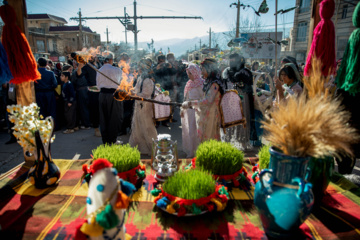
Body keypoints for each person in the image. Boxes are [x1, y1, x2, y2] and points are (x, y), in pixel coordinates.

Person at [182, 58, 224, 142]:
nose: (201, 72)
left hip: (212, 115)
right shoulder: (209, 82)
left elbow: (207, 101)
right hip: (206, 113)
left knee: (210, 138)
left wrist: (191, 103)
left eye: (203, 69)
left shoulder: (215, 84)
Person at [222, 53, 257, 150]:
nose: (231, 62)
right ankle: (228, 141)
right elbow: (224, 84)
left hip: (242, 99)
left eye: (234, 59)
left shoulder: (245, 72)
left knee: (242, 120)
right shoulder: (226, 71)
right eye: (230, 59)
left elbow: (248, 86)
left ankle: (243, 142)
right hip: (229, 99)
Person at [129, 59, 157, 155]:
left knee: (146, 125)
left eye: (140, 67)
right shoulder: (140, 78)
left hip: (145, 106)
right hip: (138, 104)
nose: (138, 69)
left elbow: (146, 94)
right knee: (137, 124)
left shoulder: (148, 80)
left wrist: (135, 94)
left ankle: (150, 147)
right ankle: (140, 147)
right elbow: (136, 89)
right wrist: (131, 90)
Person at [96, 51, 123, 145]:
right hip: (113, 95)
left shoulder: (99, 70)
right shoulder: (117, 70)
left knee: (104, 118)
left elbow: (98, 85)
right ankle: (113, 139)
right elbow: (121, 83)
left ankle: (105, 140)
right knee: (114, 118)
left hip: (102, 95)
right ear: (111, 59)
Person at [180, 63, 204, 157]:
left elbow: (203, 99)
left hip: (197, 110)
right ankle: (190, 150)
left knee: (196, 131)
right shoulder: (189, 84)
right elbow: (186, 98)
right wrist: (182, 109)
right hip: (188, 110)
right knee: (189, 130)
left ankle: (197, 150)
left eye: (190, 73)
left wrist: (193, 103)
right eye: (188, 73)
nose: (188, 75)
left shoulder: (201, 84)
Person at [77, 55, 101, 137]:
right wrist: (80, 66)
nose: (91, 57)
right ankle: (96, 128)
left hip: (102, 90)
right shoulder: (87, 67)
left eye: (93, 56)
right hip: (93, 91)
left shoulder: (99, 65)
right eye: (90, 57)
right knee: (95, 110)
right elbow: (79, 75)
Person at [35, 57, 57, 123]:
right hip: (49, 93)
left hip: (39, 93)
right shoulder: (50, 73)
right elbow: (55, 84)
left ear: (38, 64)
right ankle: (53, 125)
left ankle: (43, 126)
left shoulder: (35, 73)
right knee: (51, 110)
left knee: (41, 111)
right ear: (46, 64)